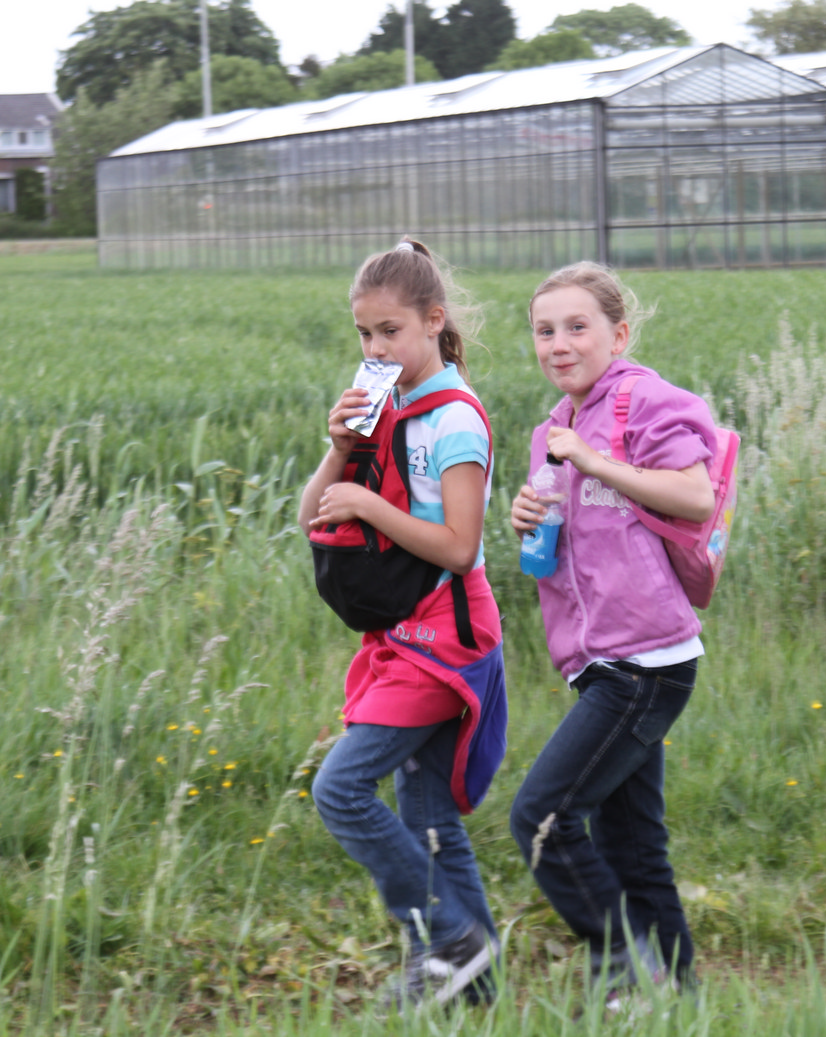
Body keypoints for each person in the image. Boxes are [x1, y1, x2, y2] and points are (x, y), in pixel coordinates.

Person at [300, 238, 507, 1013]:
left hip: (444, 639)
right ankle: (476, 986)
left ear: (433, 321)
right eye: (364, 333)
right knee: (427, 821)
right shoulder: (385, 409)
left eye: (390, 331)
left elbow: (458, 546)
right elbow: (310, 515)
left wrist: (368, 503)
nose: (375, 349)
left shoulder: (454, 420)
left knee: (341, 788)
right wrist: (339, 454)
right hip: (401, 634)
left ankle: (445, 937)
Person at [507, 262, 718, 1008]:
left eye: (577, 326)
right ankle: (679, 998)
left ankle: (630, 968)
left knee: (543, 818)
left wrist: (597, 462)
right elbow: (575, 539)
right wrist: (527, 519)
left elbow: (694, 495)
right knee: (631, 843)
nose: (558, 344)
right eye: (544, 331)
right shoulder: (553, 431)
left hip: (647, 660)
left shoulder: (643, 401)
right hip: (596, 661)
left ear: (618, 334)